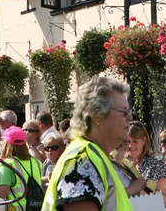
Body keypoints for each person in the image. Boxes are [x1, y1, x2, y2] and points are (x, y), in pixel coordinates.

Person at [42, 75, 134, 211]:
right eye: (123, 111)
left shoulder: (94, 155)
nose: (130, 117)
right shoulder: (82, 161)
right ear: (96, 115)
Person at [0, 125, 45, 208]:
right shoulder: (37, 162)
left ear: (6, 144)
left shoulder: (8, 164)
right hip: (36, 207)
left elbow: (3, 193)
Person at [127, 122, 166, 209]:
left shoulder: (156, 164)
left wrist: (140, 189)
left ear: (144, 140)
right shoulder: (126, 163)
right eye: (128, 141)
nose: (130, 145)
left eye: (135, 141)